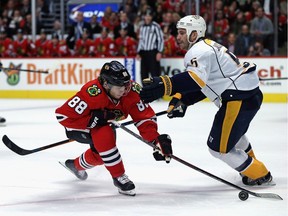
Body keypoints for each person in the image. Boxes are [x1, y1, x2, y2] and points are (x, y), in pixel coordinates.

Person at [139, 15, 273, 186]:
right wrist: (182, 99)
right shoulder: (206, 47)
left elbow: (195, 80)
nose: (177, 37)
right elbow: (204, 84)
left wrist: (166, 84)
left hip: (239, 99)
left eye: (181, 33)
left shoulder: (199, 51)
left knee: (218, 148)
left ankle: (260, 173)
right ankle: (251, 167)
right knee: (235, 136)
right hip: (244, 97)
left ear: (194, 35)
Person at [55, 60, 172, 196]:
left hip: (104, 124)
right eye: (118, 85)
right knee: (104, 134)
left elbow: (144, 118)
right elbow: (62, 116)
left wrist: (155, 140)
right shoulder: (92, 93)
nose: (123, 89)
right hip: (78, 126)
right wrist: (91, 120)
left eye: (125, 84)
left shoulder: (132, 91)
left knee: (101, 156)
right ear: (106, 84)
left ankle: (75, 166)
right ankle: (119, 177)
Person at [136, 8, 164, 84]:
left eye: (149, 16)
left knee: (154, 73)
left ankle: (156, 93)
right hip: (144, 53)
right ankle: (146, 92)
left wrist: (159, 52)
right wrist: (138, 52)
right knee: (143, 74)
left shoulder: (156, 26)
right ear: (144, 17)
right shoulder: (142, 27)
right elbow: (141, 40)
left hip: (153, 52)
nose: (147, 18)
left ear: (151, 17)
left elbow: (160, 39)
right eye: (146, 16)